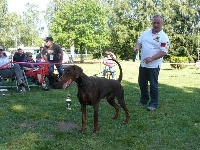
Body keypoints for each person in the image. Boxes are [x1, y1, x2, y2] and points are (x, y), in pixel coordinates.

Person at [134, 15, 170, 111]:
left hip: (154, 65)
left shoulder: (164, 37)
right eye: (154, 22)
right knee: (142, 83)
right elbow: (139, 41)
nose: (156, 24)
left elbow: (164, 51)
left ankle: (153, 103)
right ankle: (143, 100)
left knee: (153, 85)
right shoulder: (145, 33)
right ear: (152, 23)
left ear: (162, 24)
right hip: (143, 64)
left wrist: (152, 58)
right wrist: (137, 47)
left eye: (158, 23)